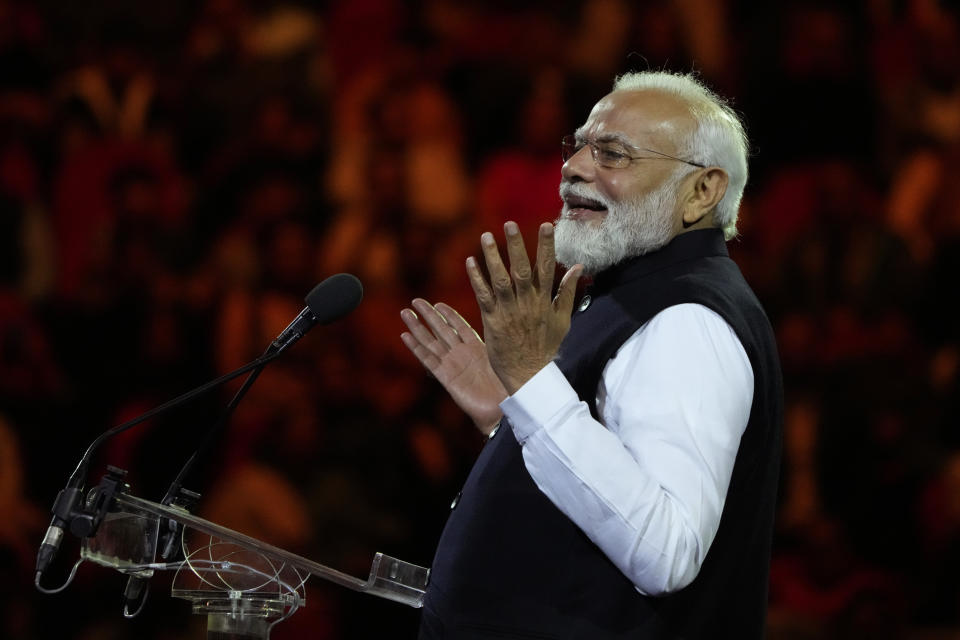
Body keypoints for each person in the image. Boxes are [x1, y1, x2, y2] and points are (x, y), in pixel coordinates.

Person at [400, 70, 783, 639]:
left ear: (702, 191)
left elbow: (666, 551)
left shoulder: (689, 321)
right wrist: (510, 416)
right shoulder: (633, 293)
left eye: (613, 154)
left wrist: (533, 384)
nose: (574, 167)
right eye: (578, 146)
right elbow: (606, 480)